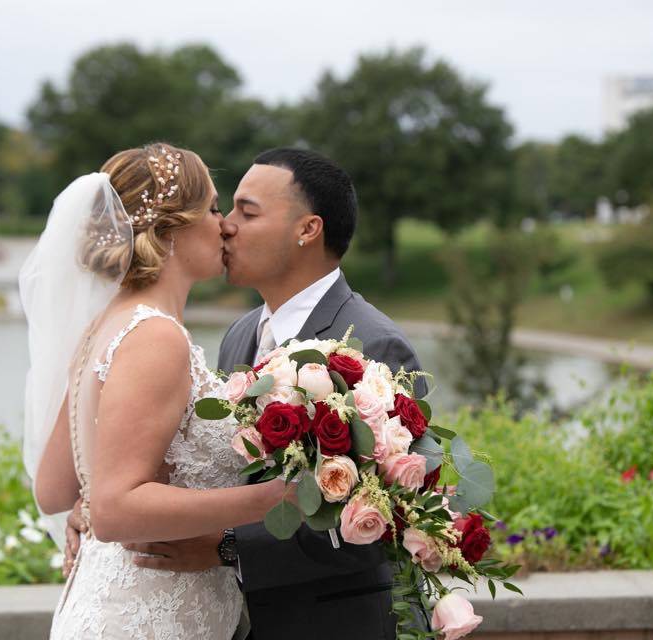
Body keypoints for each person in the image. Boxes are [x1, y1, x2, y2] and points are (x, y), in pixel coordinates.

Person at [63, 148, 428, 639]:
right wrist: (95, 500)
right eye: (224, 209)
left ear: (307, 229)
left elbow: (387, 514)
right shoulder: (239, 335)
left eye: (245, 211)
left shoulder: (372, 342)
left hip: (325, 624)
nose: (226, 225)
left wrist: (228, 548)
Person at [22, 143, 293, 640]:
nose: (225, 224)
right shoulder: (155, 336)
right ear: (171, 226)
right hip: (146, 619)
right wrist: (278, 499)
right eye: (213, 208)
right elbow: (116, 509)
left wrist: (96, 499)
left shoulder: (102, 329)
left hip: (110, 608)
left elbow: (55, 489)